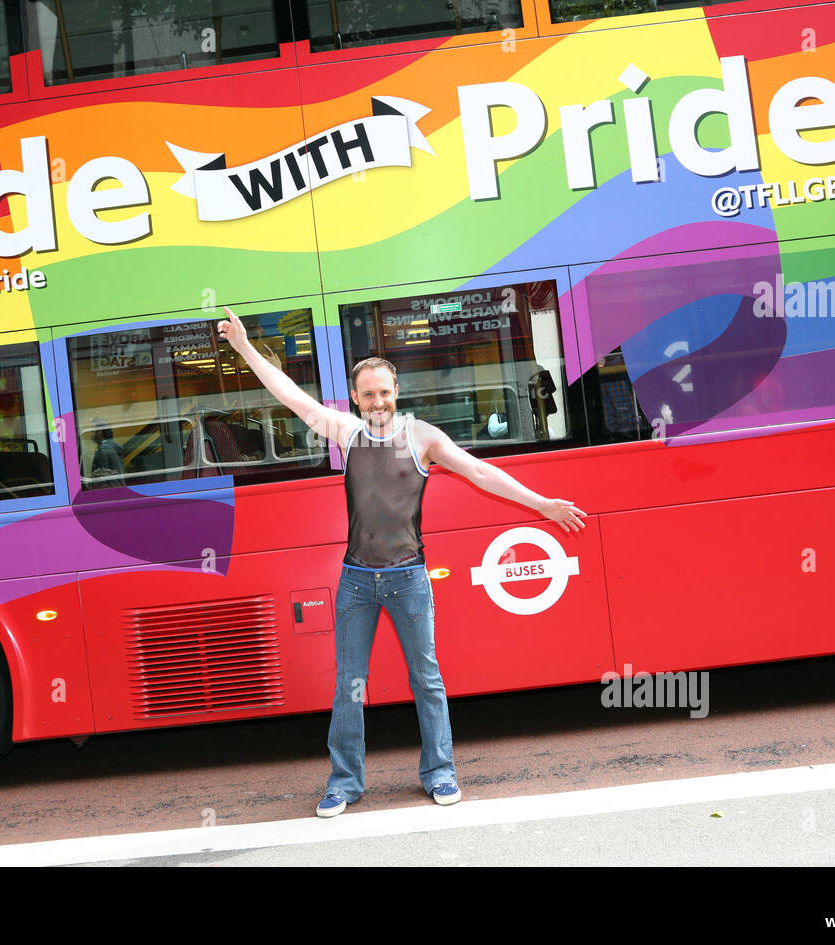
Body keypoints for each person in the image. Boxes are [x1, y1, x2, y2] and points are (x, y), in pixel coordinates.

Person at [217, 306, 586, 818]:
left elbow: (481, 473)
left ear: (397, 393)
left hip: (410, 579)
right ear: (355, 399)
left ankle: (439, 774)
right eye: (367, 394)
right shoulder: (348, 433)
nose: (377, 401)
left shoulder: (424, 438)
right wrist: (244, 350)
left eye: (384, 392)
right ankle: (344, 783)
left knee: (427, 680)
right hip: (356, 582)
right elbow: (290, 396)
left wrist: (542, 504)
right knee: (349, 685)